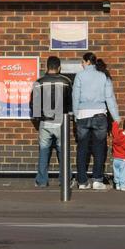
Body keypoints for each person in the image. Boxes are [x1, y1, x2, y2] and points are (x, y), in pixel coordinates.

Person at [72, 52, 121, 190]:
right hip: (100, 115)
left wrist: (76, 115)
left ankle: (82, 182)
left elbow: (75, 97)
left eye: (82, 62)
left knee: (82, 149)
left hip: (82, 115)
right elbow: (110, 99)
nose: (81, 64)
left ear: (88, 62)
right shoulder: (104, 76)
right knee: (99, 149)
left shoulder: (80, 76)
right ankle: (97, 180)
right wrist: (116, 118)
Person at [29, 56, 73, 187]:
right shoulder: (66, 81)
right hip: (61, 122)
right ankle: (65, 180)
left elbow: (33, 103)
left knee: (43, 152)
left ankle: (42, 181)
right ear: (59, 68)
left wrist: (38, 118)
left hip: (45, 122)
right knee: (63, 152)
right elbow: (70, 102)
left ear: (46, 67)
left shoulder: (38, 82)